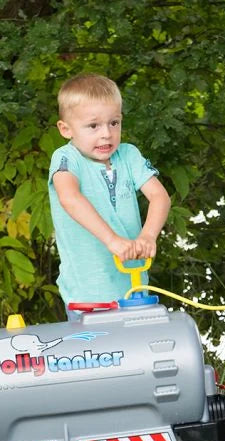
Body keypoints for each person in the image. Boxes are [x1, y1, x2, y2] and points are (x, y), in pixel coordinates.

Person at [48, 73, 171, 319]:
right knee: (97, 356)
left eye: (114, 123)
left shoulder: (128, 156)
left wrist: (148, 235)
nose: (106, 133)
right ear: (65, 129)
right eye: (93, 126)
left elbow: (159, 196)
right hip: (87, 297)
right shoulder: (66, 159)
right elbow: (69, 198)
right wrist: (112, 240)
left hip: (134, 290)